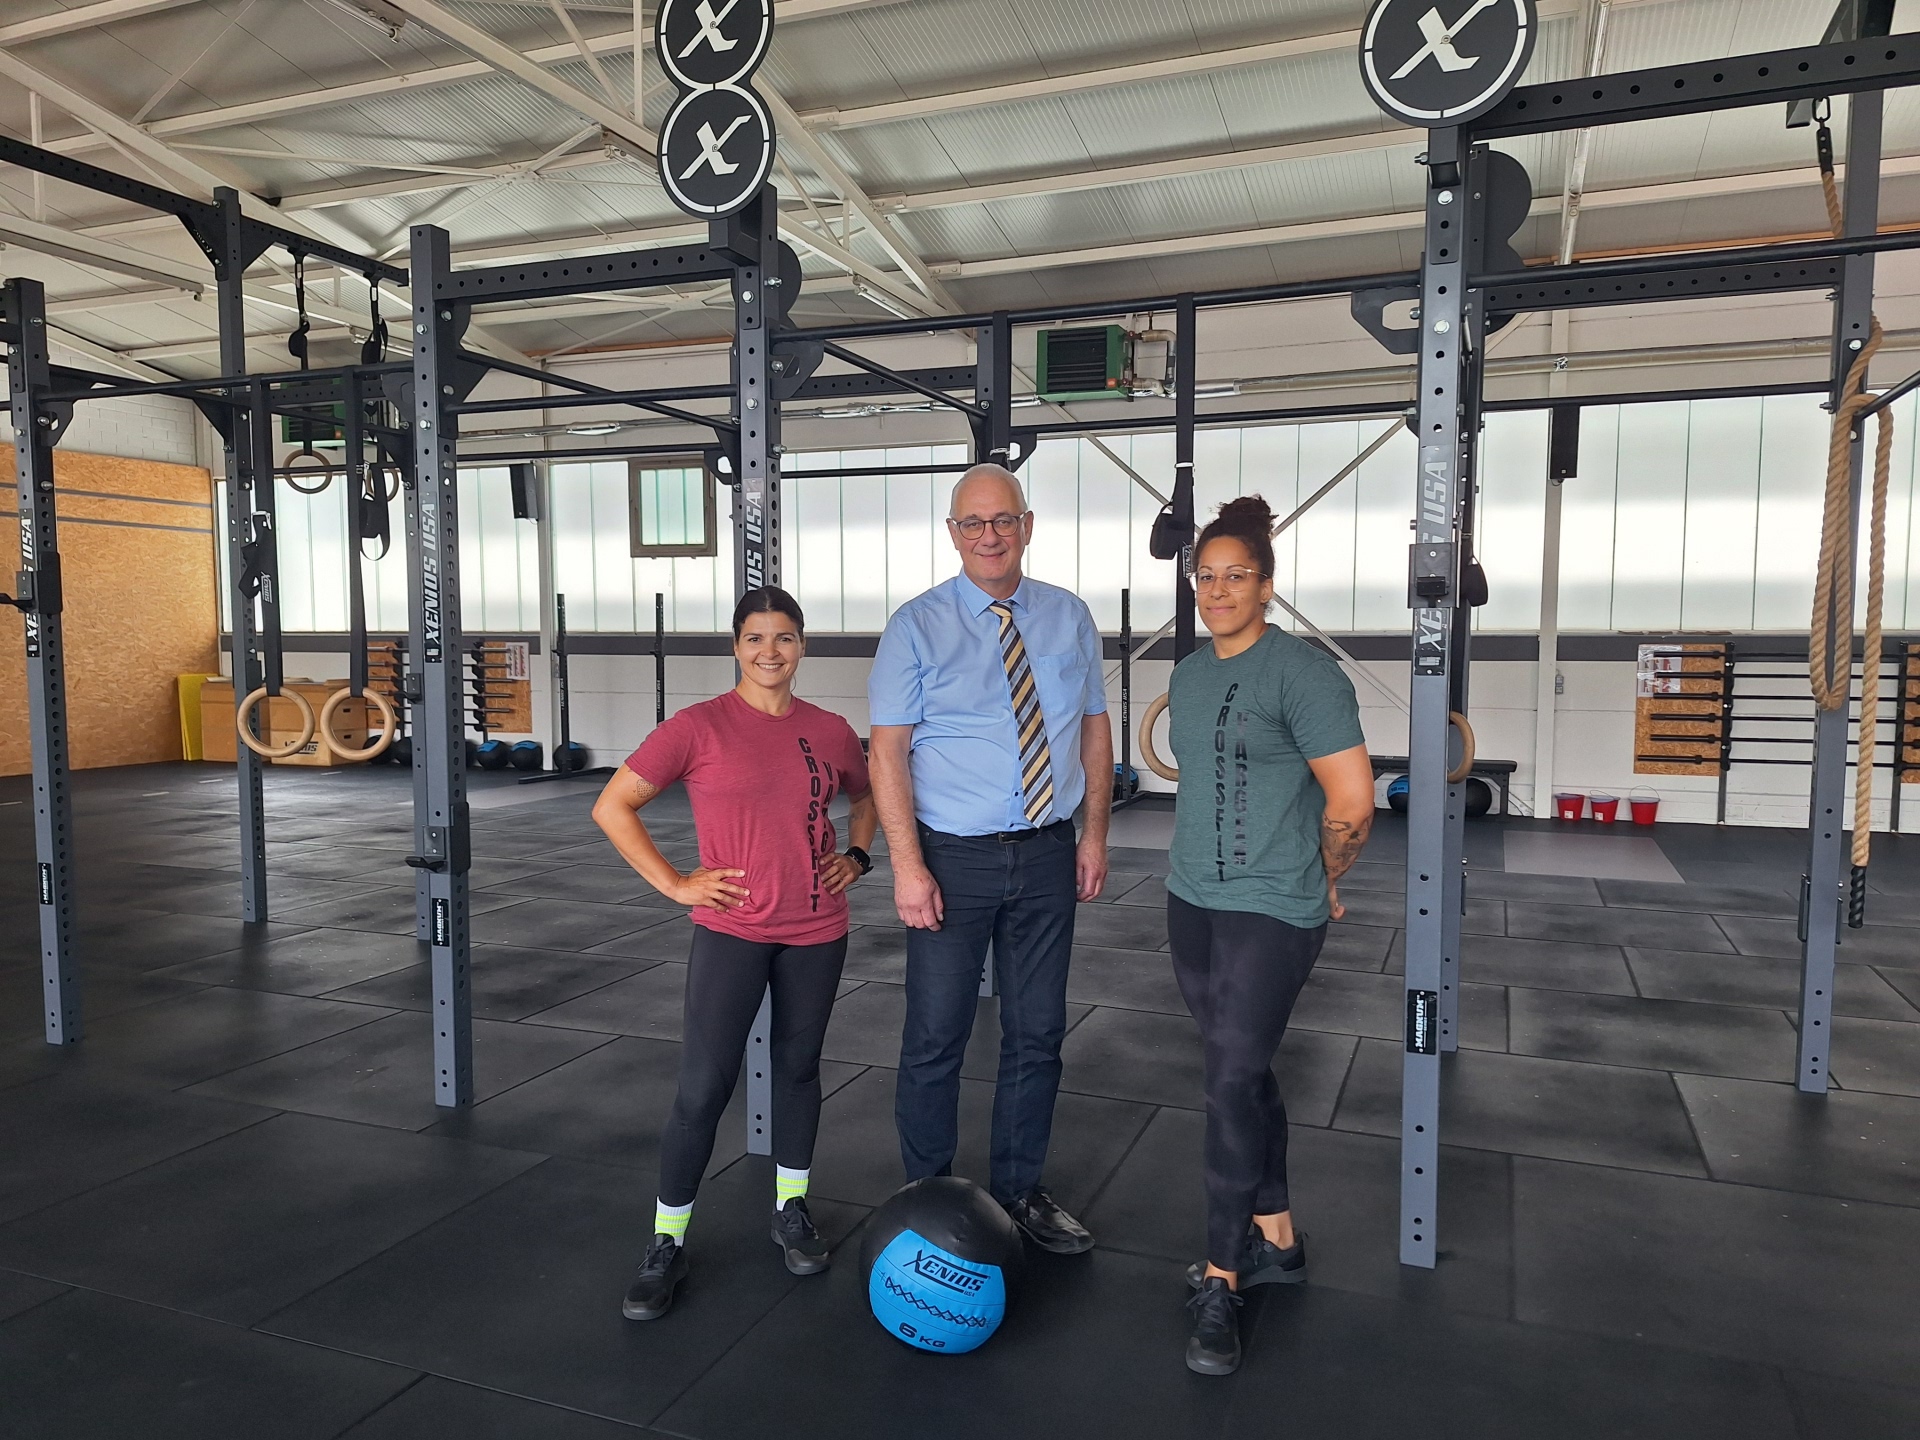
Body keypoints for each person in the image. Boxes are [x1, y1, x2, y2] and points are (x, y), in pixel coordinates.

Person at [593, 586, 876, 1321]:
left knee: (799, 1068)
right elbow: (612, 805)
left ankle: (790, 1208)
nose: (770, 652)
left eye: (784, 638)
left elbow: (869, 792)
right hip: (733, 931)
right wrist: (675, 884)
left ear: (802, 646)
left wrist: (857, 853)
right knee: (702, 1087)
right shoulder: (699, 727)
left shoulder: (830, 729)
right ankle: (666, 1240)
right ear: (735, 646)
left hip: (818, 927)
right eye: (756, 638)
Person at [867, 463, 1112, 1254]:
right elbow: (887, 753)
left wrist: (1096, 835)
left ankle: (1018, 1192)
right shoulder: (916, 625)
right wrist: (908, 866)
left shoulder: (1069, 616)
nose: (989, 536)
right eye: (972, 524)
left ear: (1028, 525)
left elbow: (1094, 731)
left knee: (1037, 1033)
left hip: (1047, 851)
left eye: (1002, 520)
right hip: (951, 858)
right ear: (952, 534)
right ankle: (926, 1197)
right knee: (936, 1035)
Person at [1165, 495, 1374, 1377]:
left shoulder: (1306, 675)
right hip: (1190, 898)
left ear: (1268, 585)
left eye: (1234, 577)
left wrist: (1325, 875)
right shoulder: (1187, 671)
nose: (1216, 590)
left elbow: (1353, 802)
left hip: (1273, 905)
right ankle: (1278, 1231)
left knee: (1228, 1081)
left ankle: (1223, 1275)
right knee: (1236, 1069)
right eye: (1205, 577)